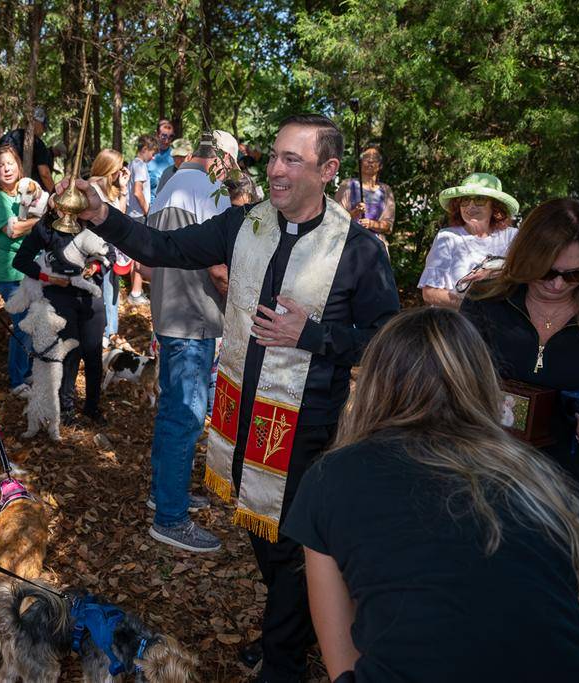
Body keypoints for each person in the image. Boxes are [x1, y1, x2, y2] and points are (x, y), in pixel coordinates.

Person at [59, 113, 400, 682]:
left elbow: (387, 342)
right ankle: (296, 625)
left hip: (304, 427)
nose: (275, 170)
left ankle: (284, 659)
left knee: (294, 547)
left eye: (293, 159)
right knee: (262, 535)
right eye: (274, 157)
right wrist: (103, 216)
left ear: (329, 170)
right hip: (238, 412)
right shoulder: (244, 224)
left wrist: (313, 335)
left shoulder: (359, 250)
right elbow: (161, 245)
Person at [284, 307, 579, 682]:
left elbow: (343, 661)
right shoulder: (547, 482)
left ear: (376, 383)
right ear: (482, 382)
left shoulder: (330, 479)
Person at [462, 198, 579, 488]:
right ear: (526, 259)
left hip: (559, 485)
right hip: (480, 469)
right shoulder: (485, 301)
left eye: (575, 274)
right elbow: (454, 382)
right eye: (546, 271)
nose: (557, 285)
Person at [142, 131, 241, 553]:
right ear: (220, 161)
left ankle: (165, 492)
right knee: (185, 415)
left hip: (169, 311)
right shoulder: (208, 191)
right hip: (194, 318)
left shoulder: (169, 183)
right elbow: (219, 270)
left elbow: (147, 264)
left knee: (173, 412)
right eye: (231, 168)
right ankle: (170, 517)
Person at [12, 207, 113, 427]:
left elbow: (110, 254)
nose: (68, 209)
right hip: (60, 296)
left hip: (90, 297)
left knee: (94, 354)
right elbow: (21, 260)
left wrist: (95, 267)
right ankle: (66, 408)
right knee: (71, 352)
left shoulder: (94, 223)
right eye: (62, 204)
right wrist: (47, 277)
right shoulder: (46, 228)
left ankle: (92, 407)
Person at [0, 144, 40, 394]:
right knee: (24, 321)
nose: (6, 169)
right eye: (0, 165)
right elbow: (13, 230)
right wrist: (39, 221)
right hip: (7, 270)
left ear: (19, 166)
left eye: (10, 163)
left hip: (28, 267)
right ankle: (17, 379)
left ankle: (27, 372)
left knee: (31, 321)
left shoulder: (25, 190)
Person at [418, 173, 519, 308]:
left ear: (495, 207)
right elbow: (429, 293)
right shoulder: (448, 237)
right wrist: (475, 308)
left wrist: (491, 272)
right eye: (465, 200)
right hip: (455, 322)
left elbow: (529, 275)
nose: (470, 206)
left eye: (479, 199)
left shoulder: (511, 237)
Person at [88, 148, 130, 345]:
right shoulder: (92, 189)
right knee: (99, 295)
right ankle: (101, 333)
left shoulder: (110, 189)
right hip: (95, 252)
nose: (120, 173)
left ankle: (110, 333)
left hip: (110, 250)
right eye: (118, 170)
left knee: (112, 294)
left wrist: (122, 189)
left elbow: (119, 217)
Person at [333, 146, 395, 249]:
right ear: (360, 162)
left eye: (375, 158)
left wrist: (371, 224)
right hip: (349, 246)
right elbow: (336, 220)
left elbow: (388, 226)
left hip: (376, 249)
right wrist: (355, 213)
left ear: (380, 165)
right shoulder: (347, 185)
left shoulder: (386, 190)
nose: (370, 161)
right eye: (366, 157)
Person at [126, 134, 159, 307]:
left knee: (135, 253)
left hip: (133, 214)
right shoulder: (139, 165)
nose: (153, 157)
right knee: (139, 254)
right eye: (152, 152)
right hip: (138, 215)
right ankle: (136, 292)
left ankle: (135, 290)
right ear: (145, 149)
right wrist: (148, 212)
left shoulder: (134, 163)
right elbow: (138, 192)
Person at [0, 106, 55, 191]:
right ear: (36, 123)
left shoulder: (8, 137)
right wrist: (54, 192)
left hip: (3, 188)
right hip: (25, 194)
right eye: (43, 126)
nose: (43, 131)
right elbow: (44, 173)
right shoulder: (37, 143)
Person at [146, 118, 175, 195]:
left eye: (170, 136)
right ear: (157, 134)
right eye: (164, 136)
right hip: (148, 204)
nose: (167, 140)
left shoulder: (176, 157)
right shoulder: (146, 154)